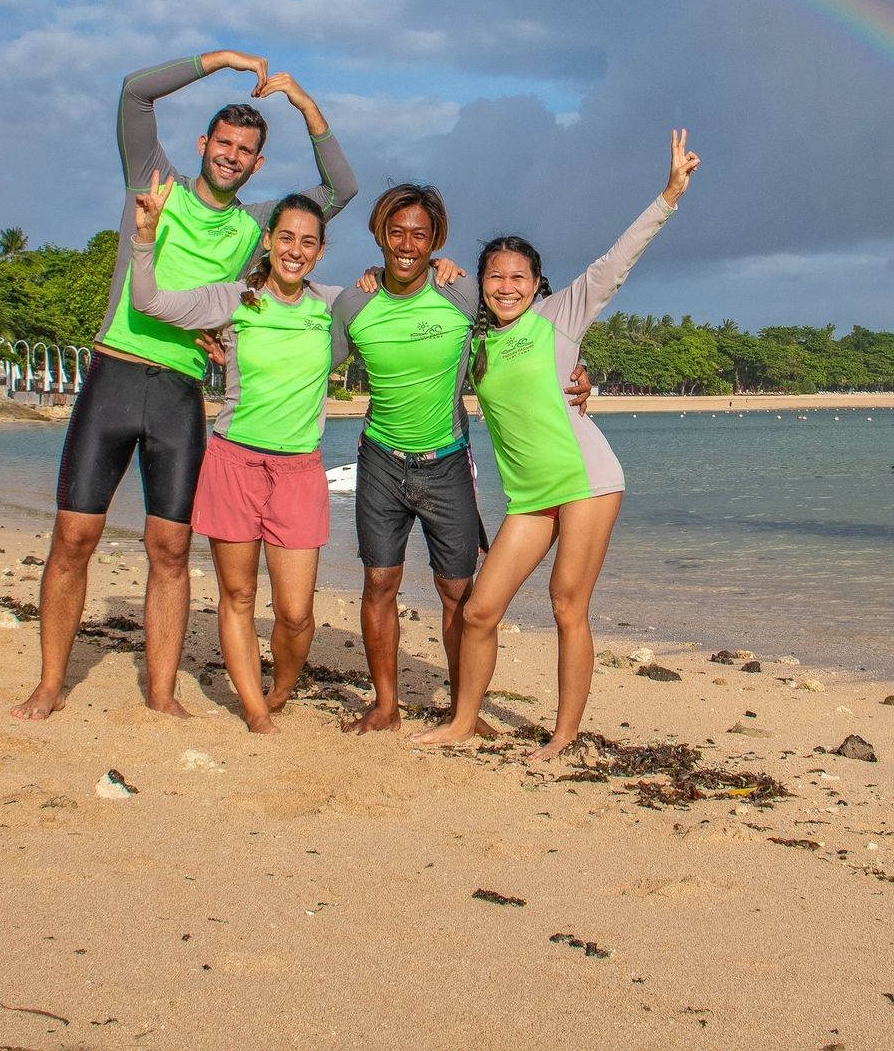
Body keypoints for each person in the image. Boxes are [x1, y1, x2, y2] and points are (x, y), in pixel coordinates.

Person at [12, 51, 357, 721]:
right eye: (223, 143)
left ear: (258, 164)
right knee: (74, 536)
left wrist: (305, 104)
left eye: (246, 150)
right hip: (114, 374)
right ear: (204, 144)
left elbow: (339, 188)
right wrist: (221, 61)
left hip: (180, 394)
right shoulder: (154, 179)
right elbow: (134, 93)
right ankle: (51, 683)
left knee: (170, 549)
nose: (231, 156)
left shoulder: (260, 222)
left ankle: (162, 692)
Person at [412, 129, 700, 758]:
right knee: (480, 610)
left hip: (588, 479)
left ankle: (563, 736)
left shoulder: (560, 317)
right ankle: (464, 720)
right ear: (483, 283)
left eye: (519, 277)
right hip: (530, 495)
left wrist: (669, 194)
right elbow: (416, 297)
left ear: (538, 283)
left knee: (567, 605)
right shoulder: (477, 341)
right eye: (495, 276)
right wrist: (436, 266)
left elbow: (616, 260)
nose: (506, 286)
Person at [330, 185, 590, 735]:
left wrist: (576, 371)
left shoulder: (463, 293)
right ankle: (385, 705)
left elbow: (533, 321)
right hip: (379, 460)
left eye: (419, 234)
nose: (407, 244)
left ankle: (462, 711)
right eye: (396, 232)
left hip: (447, 461)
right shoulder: (354, 302)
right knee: (380, 583)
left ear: (435, 240)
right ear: (379, 233)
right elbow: (307, 354)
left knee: (458, 592)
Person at [130, 177, 341, 733]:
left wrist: (442, 269)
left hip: (298, 470)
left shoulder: (334, 307)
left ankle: (281, 687)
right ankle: (254, 709)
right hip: (233, 463)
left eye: (309, 242)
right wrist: (146, 239)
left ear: (320, 251)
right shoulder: (234, 299)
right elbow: (148, 300)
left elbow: (402, 306)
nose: (296, 250)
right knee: (239, 593)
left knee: (296, 614)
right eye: (287, 238)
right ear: (268, 241)